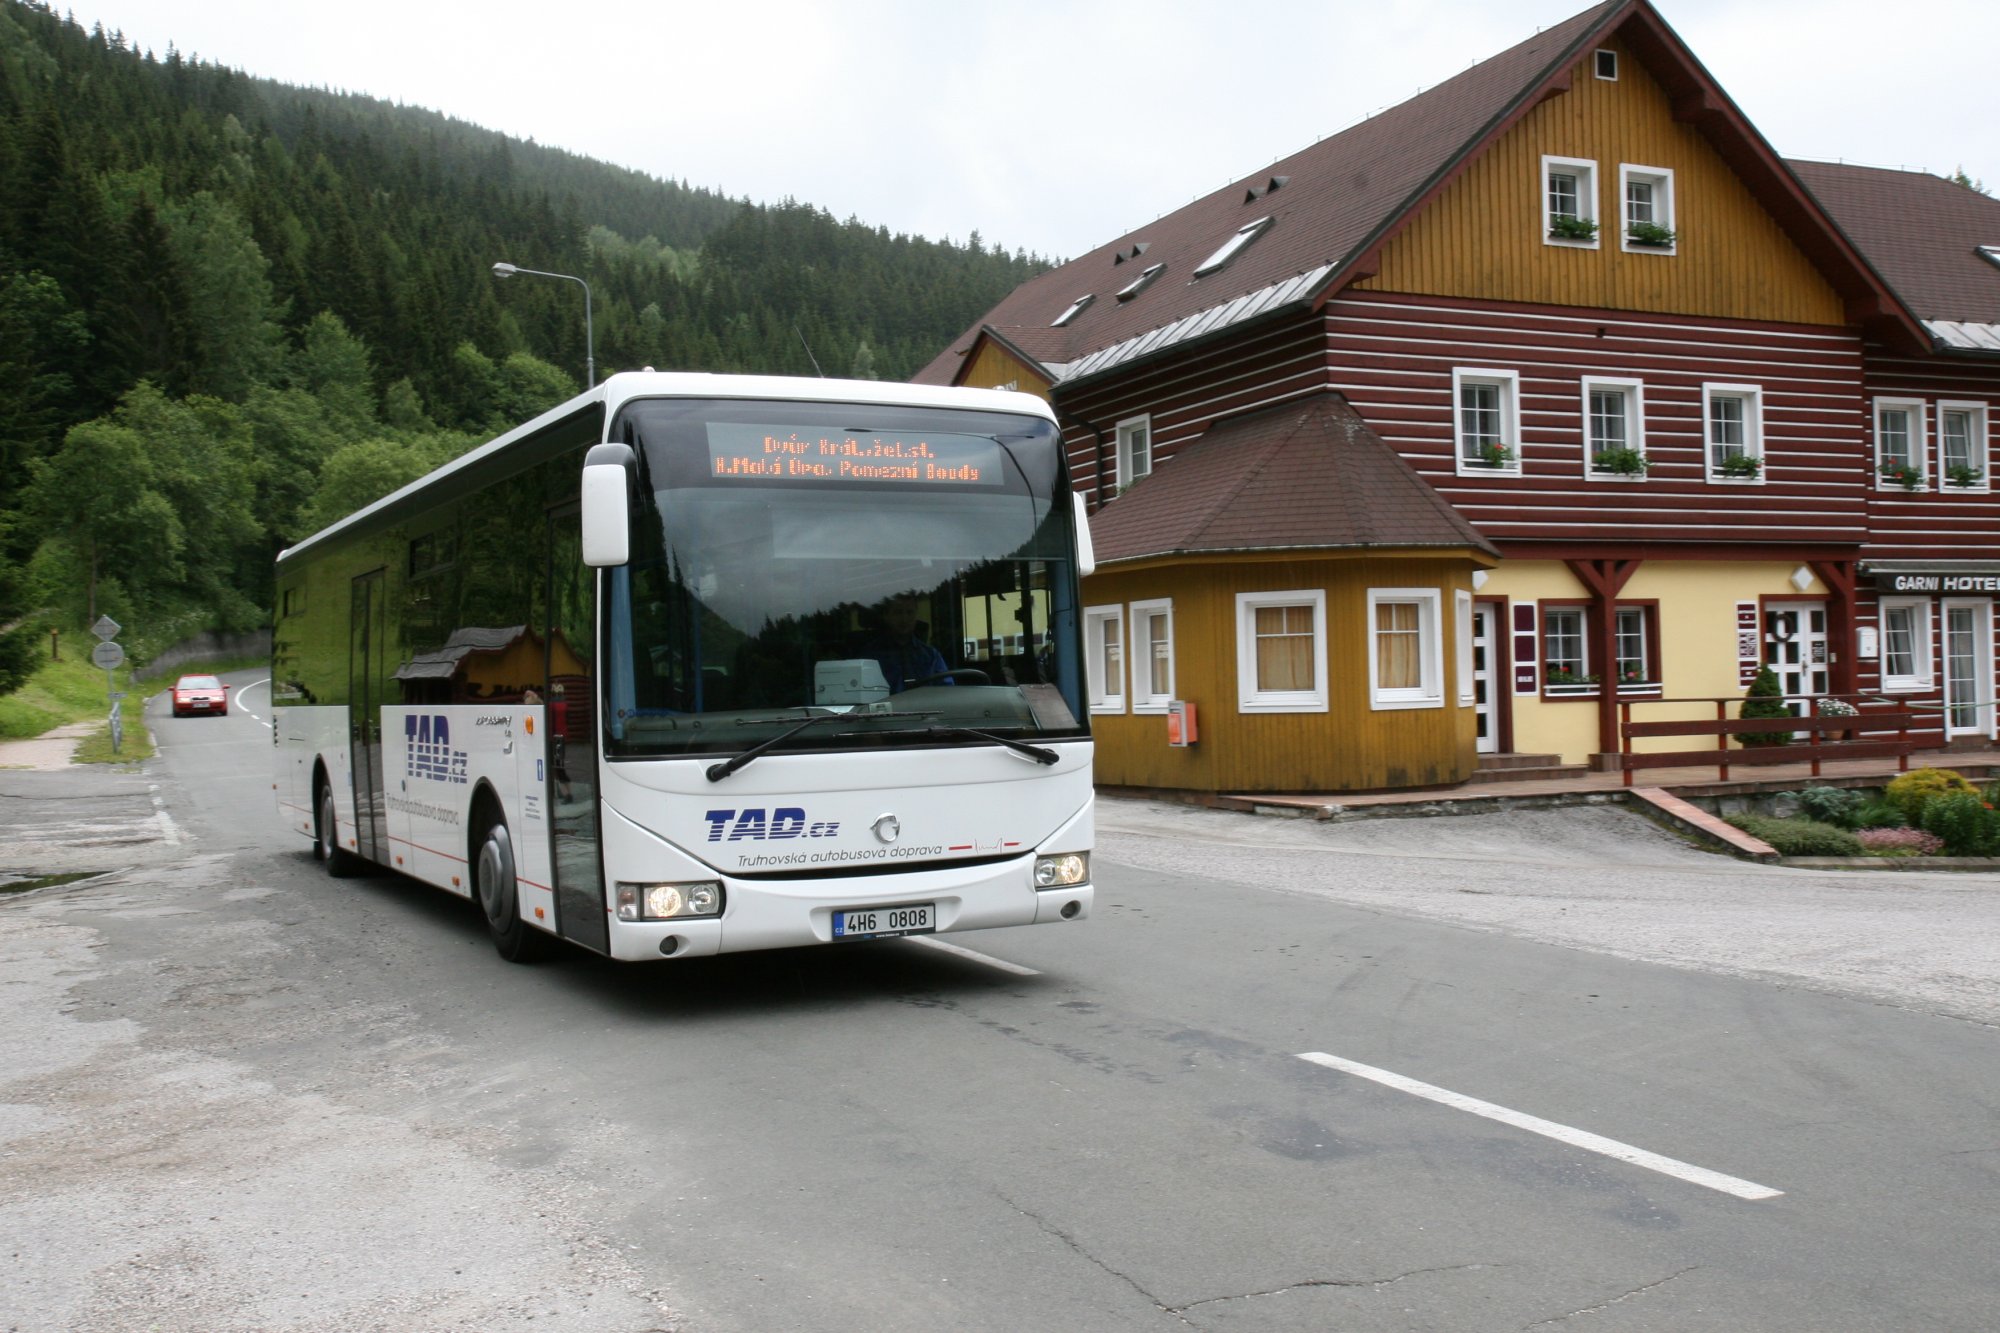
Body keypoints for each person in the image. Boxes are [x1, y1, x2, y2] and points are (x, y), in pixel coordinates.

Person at [863, 597, 949, 693]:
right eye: (898, 612)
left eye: (909, 612)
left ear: (916, 615)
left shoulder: (931, 656)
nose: (904, 619)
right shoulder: (871, 657)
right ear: (886, 616)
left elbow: (947, 692)